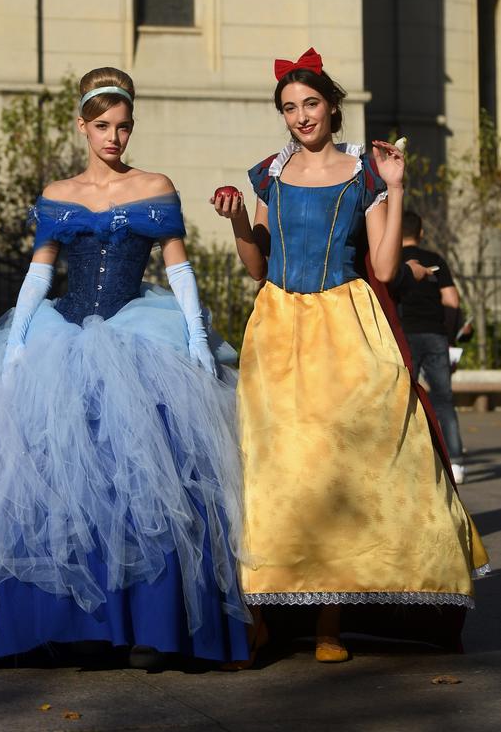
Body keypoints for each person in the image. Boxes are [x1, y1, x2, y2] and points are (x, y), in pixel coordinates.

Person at [0, 67, 249, 668]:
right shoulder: (59, 193)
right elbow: (40, 271)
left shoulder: (154, 186)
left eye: (123, 127)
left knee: (144, 475)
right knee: (54, 475)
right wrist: (17, 342)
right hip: (64, 336)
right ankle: (71, 624)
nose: (114, 137)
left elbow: (178, 268)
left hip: (136, 333)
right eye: (103, 126)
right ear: (82, 126)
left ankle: (148, 624)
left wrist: (197, 339)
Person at [213, 47, 488, 664]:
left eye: (310, 103)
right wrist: (236, 222)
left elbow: (385, 268)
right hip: (277, 326)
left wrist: (395, 187)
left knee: (342, 465)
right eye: (290, 107)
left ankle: (328, 623)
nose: (301, 116)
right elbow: (256, 266)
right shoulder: (269, 174)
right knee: (274, 468)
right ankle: (263, 612)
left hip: (345, 326)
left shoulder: (366, 173)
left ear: (333, 106)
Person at [397, 210, 465, 483]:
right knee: (443, 399)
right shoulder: (435, 260)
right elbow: (452, 300)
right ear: (421, 232)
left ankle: (408, 460)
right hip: (435, 334)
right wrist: (449, 334)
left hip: (404, 335)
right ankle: (456, 463)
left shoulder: (392, 262)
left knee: (405, 398)